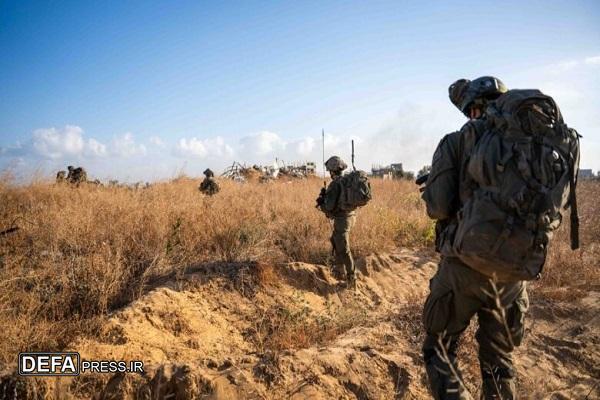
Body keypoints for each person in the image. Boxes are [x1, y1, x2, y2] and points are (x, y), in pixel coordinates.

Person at [420, 76, 530, 399]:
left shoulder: (457, 142)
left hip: (465, 267)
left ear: (472, 109)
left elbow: (438, 207)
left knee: (438, 348)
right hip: (512, 274)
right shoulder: (524, 145)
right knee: (499, 362)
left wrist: (433, 187)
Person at [317, 156, 356, 290]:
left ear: (333, 171)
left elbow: (329, 206)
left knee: (344, 249)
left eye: (329, 170)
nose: (329, 172)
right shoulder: (346, 180)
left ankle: (352, 281)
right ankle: (340, 272)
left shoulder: (335, 184)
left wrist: (322, 202)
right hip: (350, 217)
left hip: (342, 220)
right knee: (335, 240)